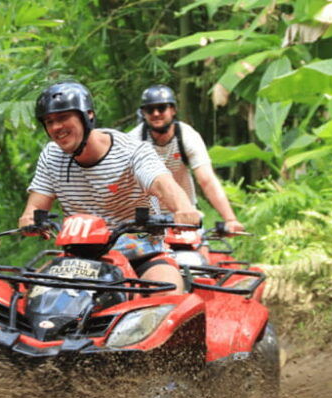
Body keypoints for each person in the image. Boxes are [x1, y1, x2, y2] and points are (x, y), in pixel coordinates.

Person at [18, 81, 200, 295]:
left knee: (169, 295)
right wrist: (29, 219)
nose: (56, 127)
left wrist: (183, 209)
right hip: (79, 259)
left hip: (142, 254)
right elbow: (35, 208)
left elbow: (161, 183)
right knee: (28, 296)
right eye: (49, 121)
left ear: (88, 116)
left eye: (63, 118)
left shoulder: (132, 151)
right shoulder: (51, 156)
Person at [129, 85, 244, 233]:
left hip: (186, 213)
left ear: (173, 110)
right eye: (150, 110)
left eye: (161, 108)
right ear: (143, 113)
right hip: (147, 218)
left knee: (199, 251)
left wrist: (230, 219)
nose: (156, 113)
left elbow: (207, 180)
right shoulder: (133, 140)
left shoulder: (187, 136)